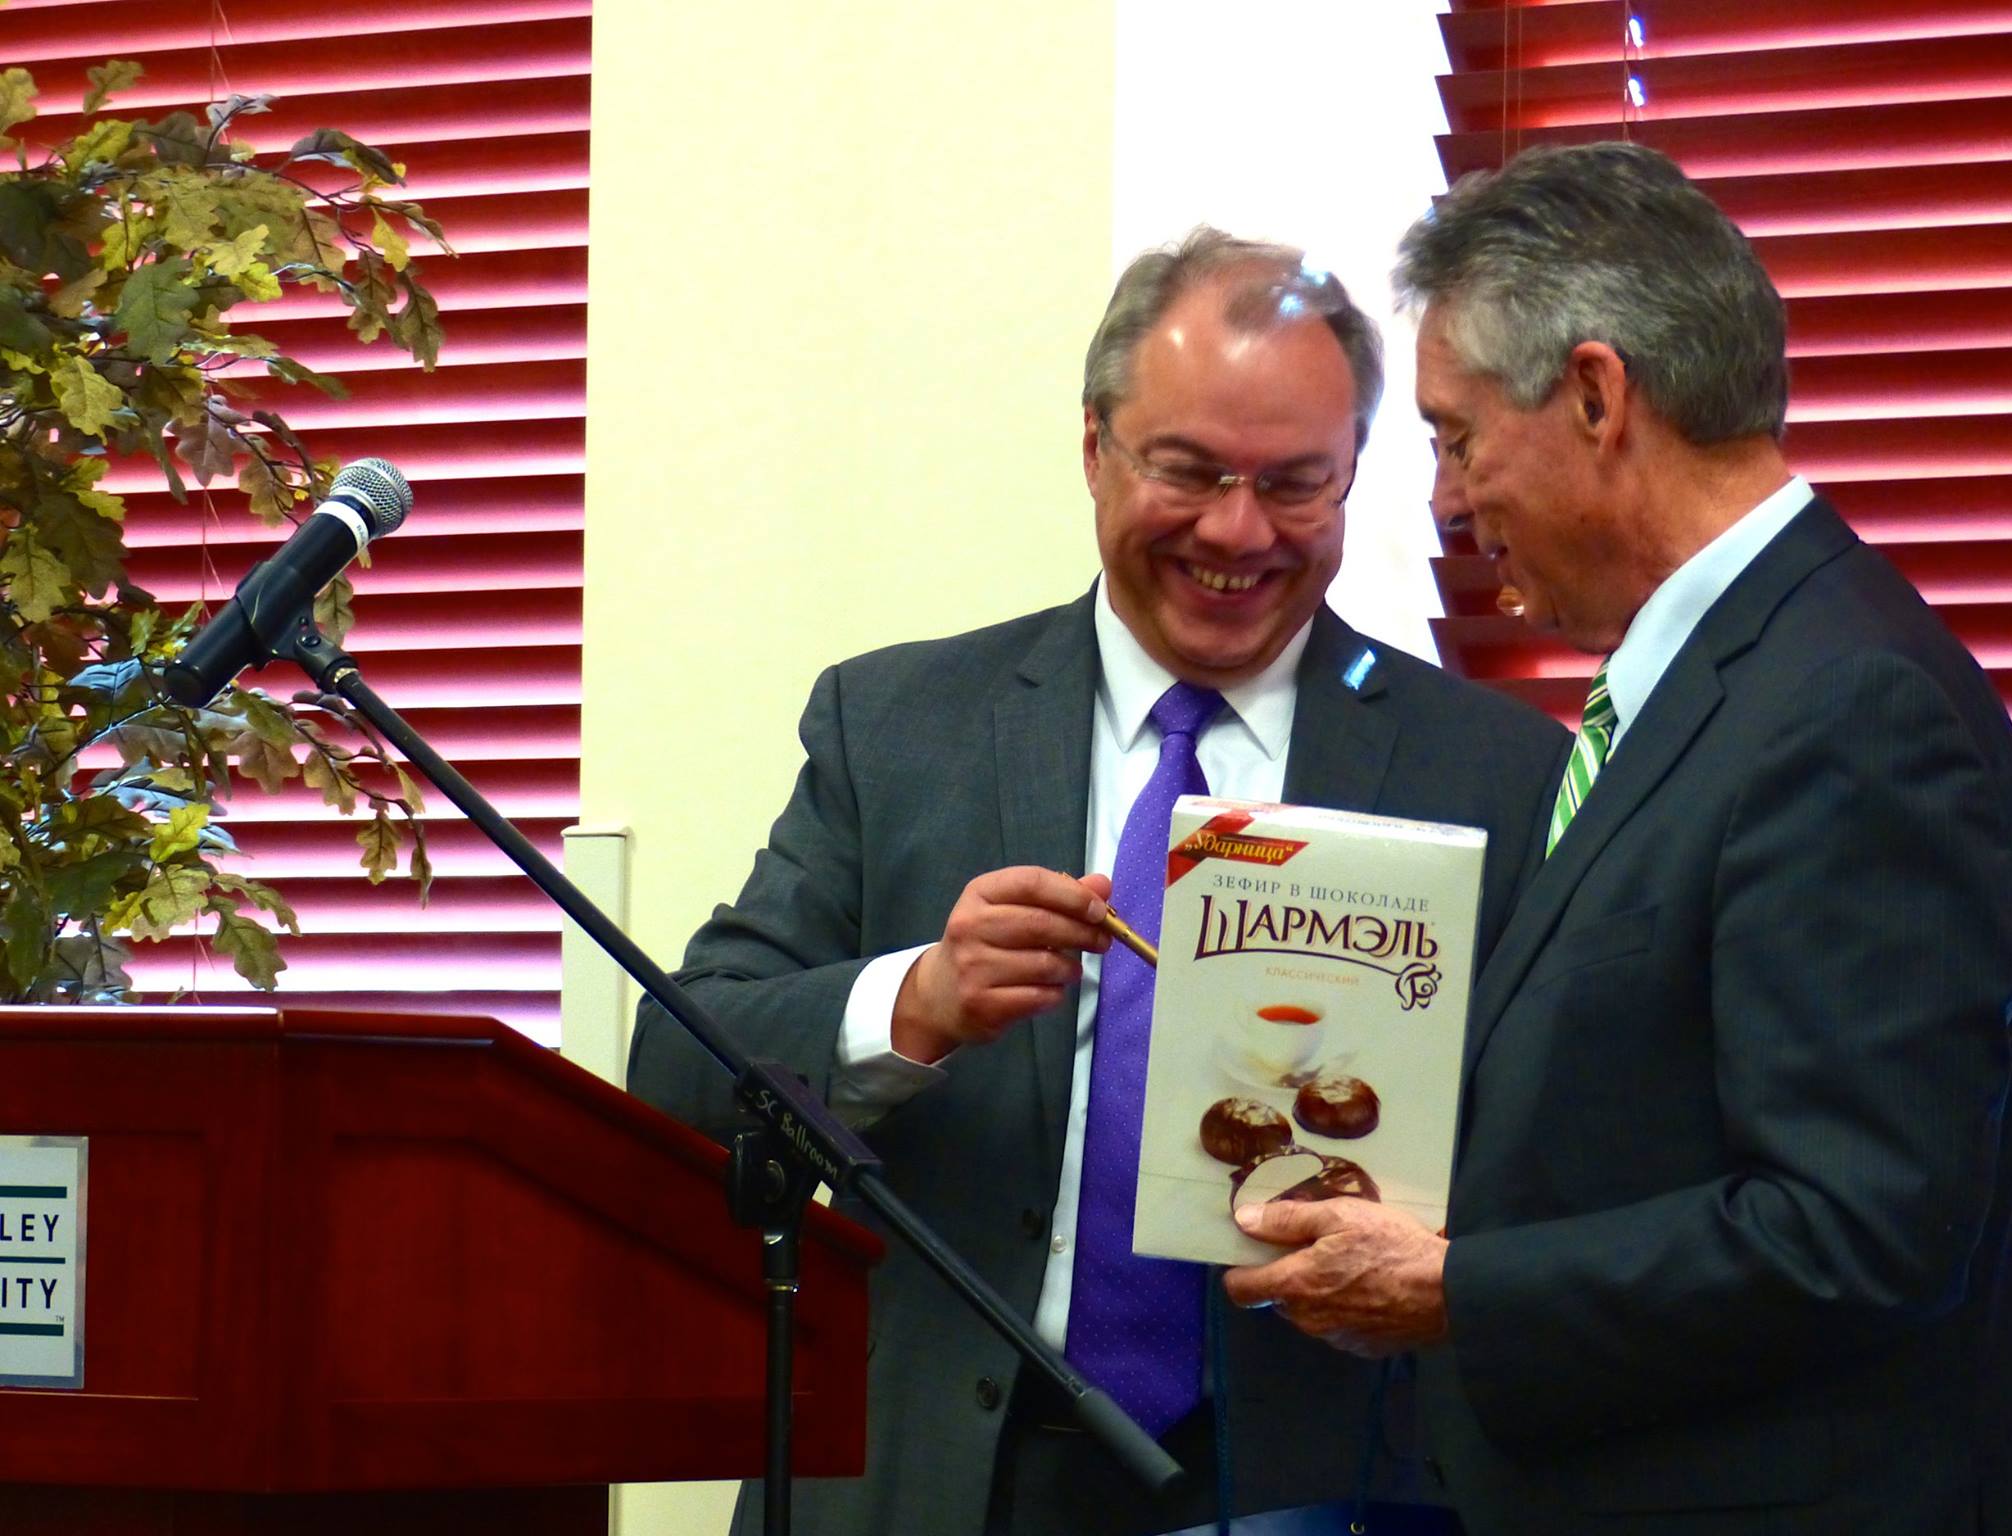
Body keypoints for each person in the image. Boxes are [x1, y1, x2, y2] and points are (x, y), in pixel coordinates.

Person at [628, 227, 1568, 1536]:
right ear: (1093, 449)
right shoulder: (899, 724)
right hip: (936, 1481)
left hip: (1315, 1477)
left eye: (1296, 485)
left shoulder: (1500, 775)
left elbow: (1572, 1170)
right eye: (1187, 472)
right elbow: (672, 1069)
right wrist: (918, 1004)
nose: (1237, 532)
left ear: (1358, 474)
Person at [1224, 143, 2012, 1536]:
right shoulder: (1725, 677)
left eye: (1457, 435)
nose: (1443, 500)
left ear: (1597, 394)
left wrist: (1452, 1289)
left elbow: (1855, 1231)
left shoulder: (1846, 707)